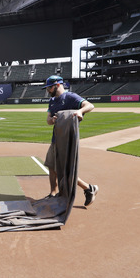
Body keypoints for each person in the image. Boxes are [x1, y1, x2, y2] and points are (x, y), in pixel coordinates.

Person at [42, 75, 99, 206]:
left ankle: (89, 188)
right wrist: (52, 120)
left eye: (49, 88)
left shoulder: (71, 97)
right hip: (55, 138)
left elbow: (90, 105)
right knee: (51, 166)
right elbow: (48, 120)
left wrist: (80, 111)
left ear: (57, 85)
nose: (47, 90)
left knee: (65, 171)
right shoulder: (52, 101)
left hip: (67, 141)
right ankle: (53, 193)